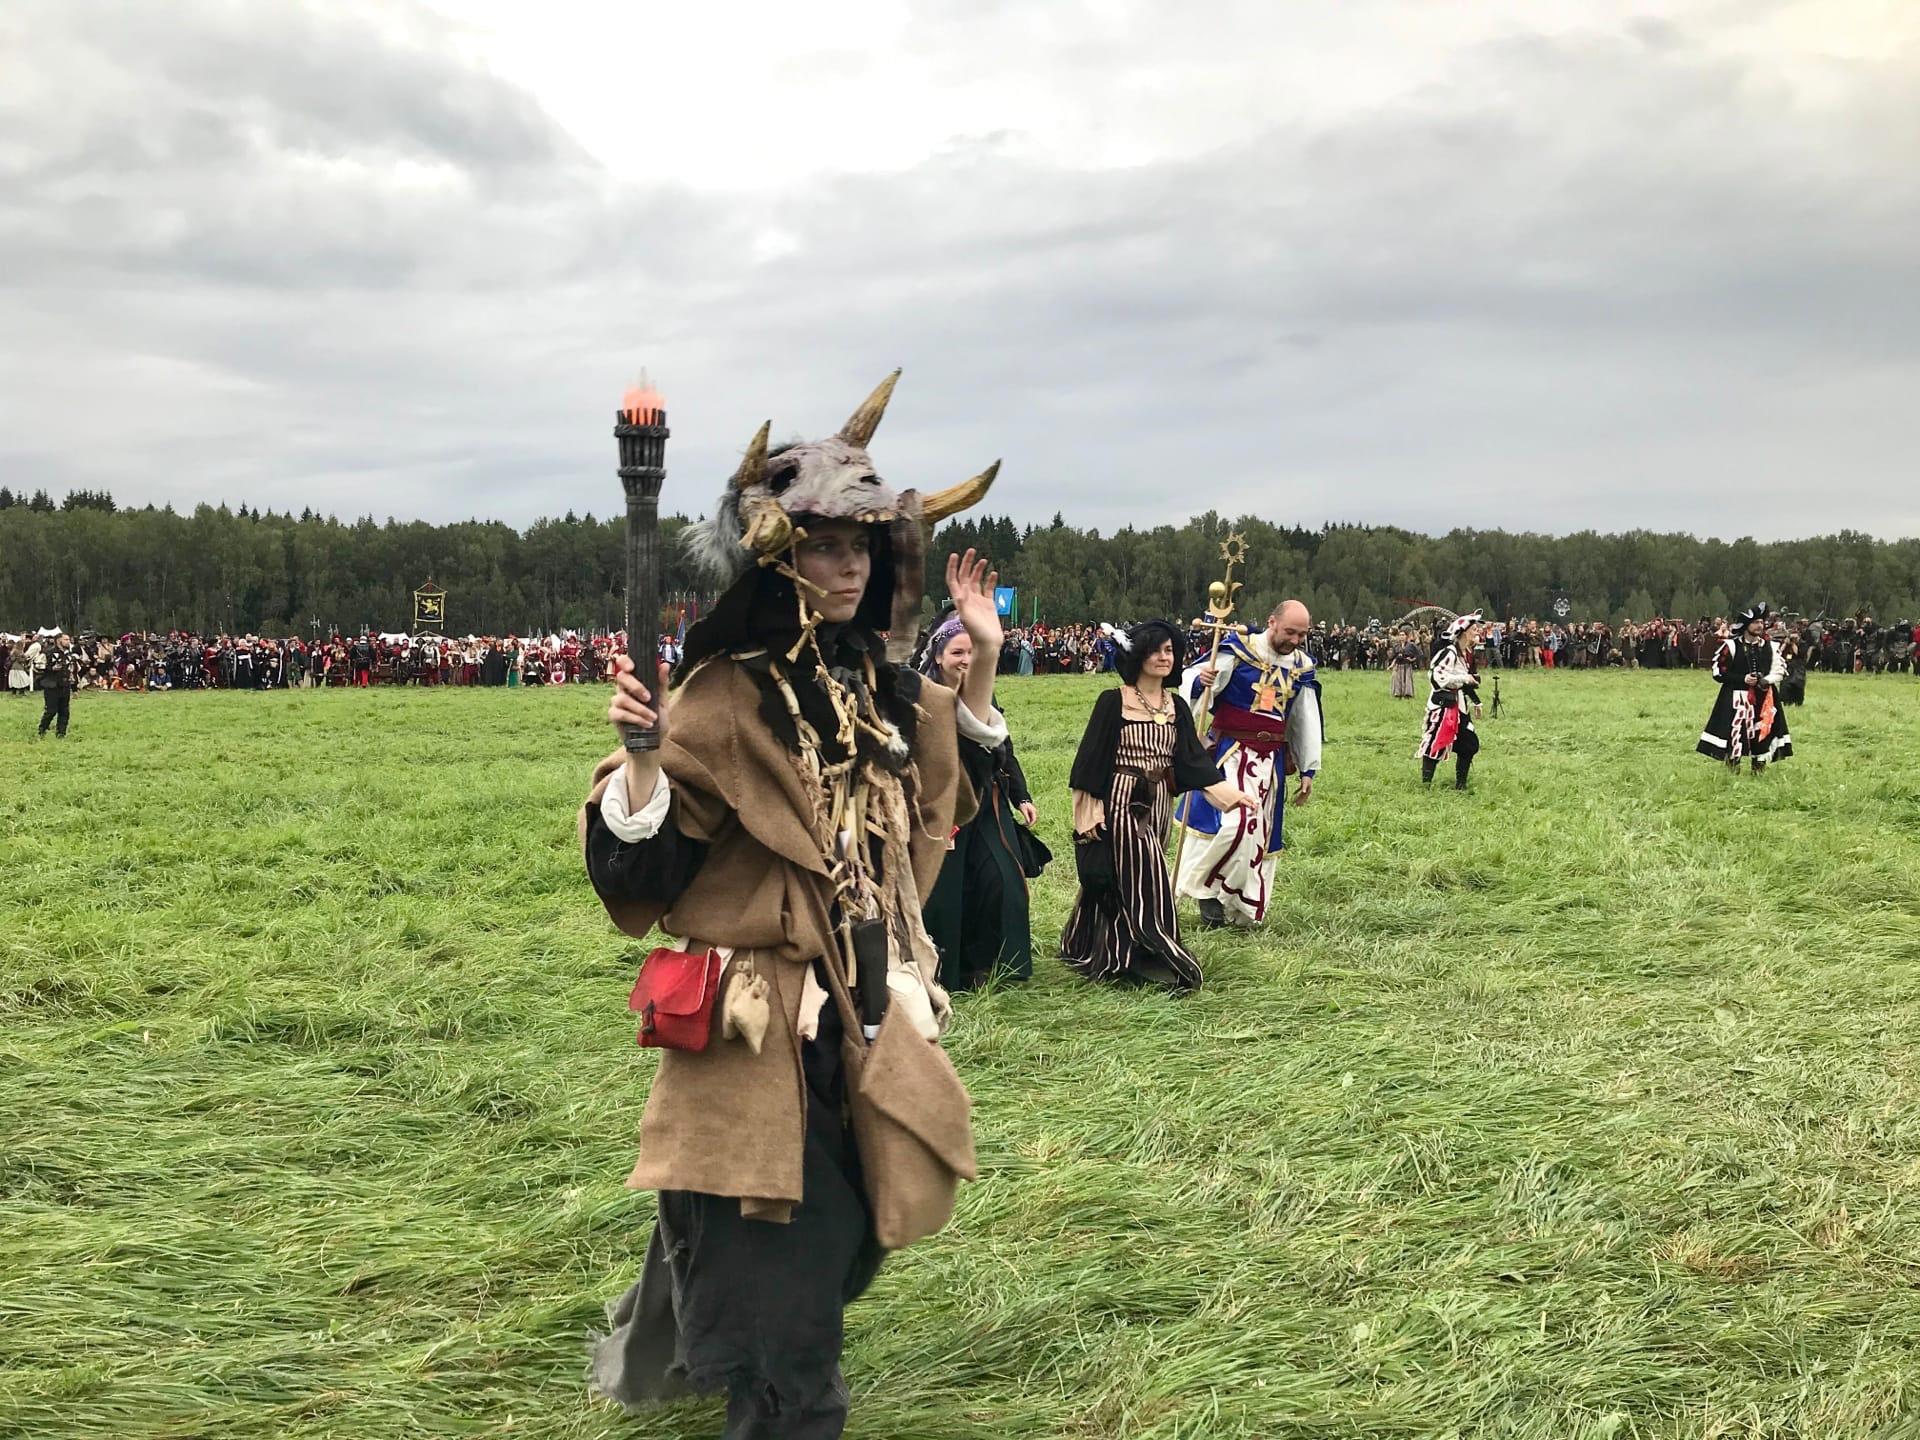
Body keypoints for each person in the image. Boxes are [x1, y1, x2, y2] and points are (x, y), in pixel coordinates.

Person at [580, 372, 1003, 1438]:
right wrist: (641, 763)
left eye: (863, 546)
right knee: (784, 1274)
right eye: (826, 546)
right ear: (777, 558)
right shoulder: (725, 697)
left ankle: (708, 1329)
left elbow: (937, 803)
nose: (851, 565)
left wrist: (983, 665)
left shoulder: (881, 689)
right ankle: (778, 1391)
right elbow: (645, 869)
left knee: (852, 1226)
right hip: (764, 1026)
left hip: (868, 1006)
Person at [1060, 619, 1256, 992]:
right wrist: (1088, 813)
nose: (1164, 657)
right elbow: (1089, 762)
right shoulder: (1113, 701)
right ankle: (1156, 952)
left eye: (1169, 650)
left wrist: (1229, 794)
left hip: (1161, 800)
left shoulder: (1176, 705)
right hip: (1123, 799)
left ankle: (1100, 945)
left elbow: (1191, 759)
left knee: (1127, 876)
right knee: (1146, 875)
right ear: (1137, 656)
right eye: (1155, 650)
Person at [1174, 600, 1324, 930]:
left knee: (1257, 833)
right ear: (1272, 622)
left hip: (1270, 762)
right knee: (1233, 824)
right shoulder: (1238, 650)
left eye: (1302, 634)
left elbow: (1305, 718)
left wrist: (1308, 768)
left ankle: (1238, 903)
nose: (1295, 640)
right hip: (1230, 753)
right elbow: (1193, 681)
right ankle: (1206, 893)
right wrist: (1201, 682)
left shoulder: (1301, 666)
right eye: (1290, 632)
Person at [917, 613, 1048, 991]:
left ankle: (995, 964)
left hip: (988, 803)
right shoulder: (921, 696)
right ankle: (945, 972)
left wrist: (1021, 795)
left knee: (1002, 880)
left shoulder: (985, 694)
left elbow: (1003, 748)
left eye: (972, 652)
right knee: (946, 891)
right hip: (942, 807)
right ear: (938, 655)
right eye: (957, 652)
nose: (966, 659)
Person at [1698, 602, 1792, 771]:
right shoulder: (1731, 646)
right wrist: (1742, 679)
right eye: (1755, 622)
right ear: (1746, 625)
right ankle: (1733, 767)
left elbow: (1780, 670)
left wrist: (1766, 680)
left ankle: (1759, 768)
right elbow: (1718, 672)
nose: (1760, 625)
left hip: (1764, 697)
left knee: (1762, 732)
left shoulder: (1771, 647)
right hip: (1736, 697)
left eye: (1761, 622)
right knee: (1736, 732)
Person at [1419, 612, 1483, 789]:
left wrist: (1476, 701)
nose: (1476, 632)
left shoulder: (1464, 654)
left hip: (1459, 706)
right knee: (1436, 743)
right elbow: (1436, 677)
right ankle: (1425, 785)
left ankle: (1461, 785)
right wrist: (1464, 678)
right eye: (1473, 629)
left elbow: (1464, 683)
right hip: (1444, 706)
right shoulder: (1450, 652)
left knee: (1469, 744)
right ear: (1463, 632)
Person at [32, 629, 79, 739]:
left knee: (64, 711)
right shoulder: (48, 653)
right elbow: (38, 666)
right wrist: (51, 669)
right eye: (66, 639)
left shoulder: (69, 655)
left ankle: (61, 734)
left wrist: (74, 688)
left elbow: (72, 671)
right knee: (51, 711)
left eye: (69, 640)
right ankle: (42, 730)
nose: (68, 641)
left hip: (65, 686)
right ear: (58, 640)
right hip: (52, 686)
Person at [1389, 632, 1420, 698]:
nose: (1401, 636)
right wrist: (1391, 665)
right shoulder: (1396, 646)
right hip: (1398, 665)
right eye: (1400, 635)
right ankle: (1397, 693)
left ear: (1406, 636)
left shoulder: (1411, 645)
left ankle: (1407, 694)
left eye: (1403, 635)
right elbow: (1394, 657)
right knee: (1397, 679)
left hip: (1407, 665)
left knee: (1407, 680)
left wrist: (1412, 660)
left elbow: (1418, 654)